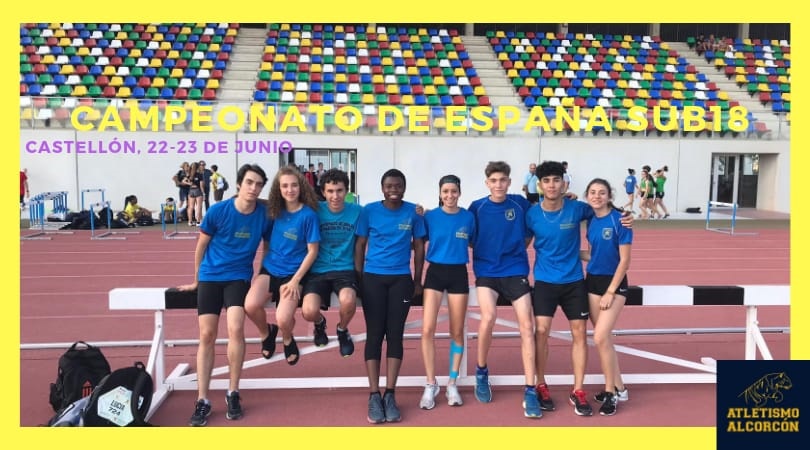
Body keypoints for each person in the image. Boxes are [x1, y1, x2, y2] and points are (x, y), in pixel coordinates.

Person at [525, 160, 632, 417]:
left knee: (580, 333)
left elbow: (603, 210)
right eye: (547, 181)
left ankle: (578, 390)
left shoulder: (577, 208)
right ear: (539, 185)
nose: (552, 185)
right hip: (545, 281)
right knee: (541, 331)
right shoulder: (531, 214)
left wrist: (627, 215)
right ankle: (541, 384)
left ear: (564, 183)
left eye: (556, 180)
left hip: (574, 281)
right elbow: (520, 243)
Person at [176, 163, 271, 426]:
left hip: (238, 278)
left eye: (258, 184)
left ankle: (233, 392)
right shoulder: (218, 211)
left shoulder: (264, 215)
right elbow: (201, 246)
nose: (253, 188)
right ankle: (202, 399)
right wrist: (196, 280)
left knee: (236, 328)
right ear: (239, 184)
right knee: (207, 334)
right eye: (249, 182)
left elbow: (268, 246)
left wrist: (262, 274)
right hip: (210, 276)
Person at [468, 161, 541, 418]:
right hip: (487, 272)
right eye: (494, 180)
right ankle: (481, 371)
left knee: (527, 326)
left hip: (515, 270)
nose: (498, 184)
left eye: (503, 180)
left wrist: (516, 250)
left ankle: (530, 389)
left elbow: (531, 232)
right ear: (487, 183)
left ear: (509, 182)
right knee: (488, 317)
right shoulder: (477, 207)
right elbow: (468, 237)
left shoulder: (520, 204)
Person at [355, 168, 426, 424]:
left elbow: (419, 247)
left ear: (404, 188)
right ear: (382, 188)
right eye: (389, 186)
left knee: (395, 335)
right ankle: (374, 394)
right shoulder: (369, 211)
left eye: (398, 186)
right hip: (373, 279)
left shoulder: (413, 213)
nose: (393, 190)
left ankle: (390, 394)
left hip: (401, 280)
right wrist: (359, 278)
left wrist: (417, 280)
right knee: (375, 335)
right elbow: (360, 245)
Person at [244, 166, 320, 365]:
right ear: (278, 189)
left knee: (283, 319)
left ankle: (287, 337)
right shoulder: (274, 212)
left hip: (293, 274)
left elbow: (313, 251)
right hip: (270, 270)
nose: (290, 190)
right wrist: (261, 271)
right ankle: (266, 333)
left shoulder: (308, 215)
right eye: (285, 186)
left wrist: (296, 280)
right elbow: (267, 243)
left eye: (294, 185)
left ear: (301, 187)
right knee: (250, 306)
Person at [419, 175, 476, 410]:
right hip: (435, 273)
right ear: (440, 193)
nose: (450, 195)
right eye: (445, 191)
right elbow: (417, 239)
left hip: (458, 274)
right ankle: (430, 383)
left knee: (457, 331)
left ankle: (452, 382)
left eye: (454, 191)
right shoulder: (430, 217)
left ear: (459, 193)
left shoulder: (468, 217)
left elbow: (474, 242)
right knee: (427, 329)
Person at [582, 178, 632, 416]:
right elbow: (593, 255)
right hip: (592, 282)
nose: (597, 196)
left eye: (602, 192)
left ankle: (610, 392)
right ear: (587, 196)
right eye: (592, 192)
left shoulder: (621, 220)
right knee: (605, 340)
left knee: (600, 337)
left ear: (609, 196)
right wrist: (567, 252)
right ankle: (620, 388)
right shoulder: (591, 220)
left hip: (614, 284)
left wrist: (610, 291)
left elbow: (625, 261)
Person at [300, 168, 362, 358]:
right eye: (330, 191)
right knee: (308, 311)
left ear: (347, 191)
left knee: (349, 301)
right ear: (323, 192)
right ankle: (320, 323)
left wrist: (418, 211)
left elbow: (383, 211)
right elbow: (286, 204)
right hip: (318, 270)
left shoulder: (358, 211)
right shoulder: (314, 211)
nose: (335, 196)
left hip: (344, 269)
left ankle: (342, 330)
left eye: (340, 190)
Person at [187, 162, 205, 226]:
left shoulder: (189, 175)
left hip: (191, 190)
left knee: (191, 207)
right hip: (198, 190)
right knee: (199, 206)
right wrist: (203, 193)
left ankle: (190, 221)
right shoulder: (200, 175)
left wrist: (190, 184)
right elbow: (201, 185)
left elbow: (184, 181)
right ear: (198, 167)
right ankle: (198, 222)